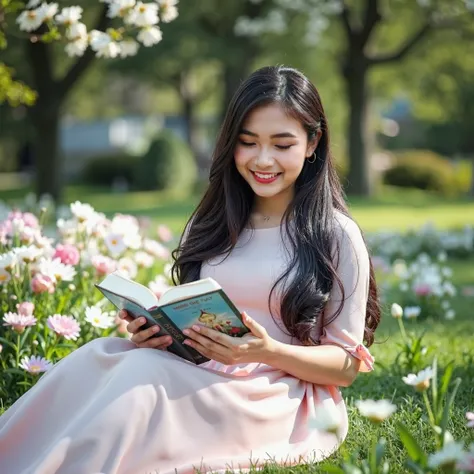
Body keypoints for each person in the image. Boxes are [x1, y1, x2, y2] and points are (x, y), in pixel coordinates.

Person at [0, 65, 380, 474]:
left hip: (276, 394)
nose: (262, 159)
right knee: (99, 354)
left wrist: (267, 350)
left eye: (282, 144)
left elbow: (345, 367)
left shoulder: (335, 235)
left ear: (312, 143)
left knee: (140, 379)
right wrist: (160, 333)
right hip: (199, 372)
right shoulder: (217, 220)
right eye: (247, 142)